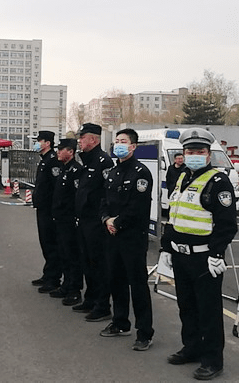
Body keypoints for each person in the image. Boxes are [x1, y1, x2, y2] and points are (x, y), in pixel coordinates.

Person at [160, 128, 237, 380]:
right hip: (181, 256)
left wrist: (216, 254)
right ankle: (191, 348)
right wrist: (166, 247)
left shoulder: (218, 181)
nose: (194, 155)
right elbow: (174, 215)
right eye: (190, 151)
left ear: (208, 154)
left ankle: (213, 360)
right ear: (183, 153)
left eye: (199, 152)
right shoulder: (182, 177)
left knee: (209, 312)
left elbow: (227, 224)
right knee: (187, 307)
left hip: (205, 258)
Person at [99, 128, 154, 351]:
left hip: (132, 237)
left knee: (138, 285)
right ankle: (120, 322)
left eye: (123, 141)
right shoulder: (112, 172)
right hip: (112, 235)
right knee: (116, 280)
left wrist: (117, 222)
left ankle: (144, 333)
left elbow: (138, 208)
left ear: (133, 146)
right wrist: (106, 220)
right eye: (116, 141)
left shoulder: (141, 173)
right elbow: (103, 200)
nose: (118, 144)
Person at [74, 123, 114, 322]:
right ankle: (90, 299)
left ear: (94, 140)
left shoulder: (103, 161)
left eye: (83, 138)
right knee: (86, 262)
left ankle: (102, 305)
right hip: (84, 220)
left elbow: (106, 194)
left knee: (99, 264)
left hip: (96, 222)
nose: (80, 141)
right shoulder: (87, 160)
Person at [50, 138, 83, 306]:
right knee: (63, 253)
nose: (58, 152)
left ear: (70, 152)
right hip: (60, 219)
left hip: (69, 220)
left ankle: (74, 289)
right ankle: (66, 284)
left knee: (72, 255)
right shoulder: (64, 169)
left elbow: (76, 197)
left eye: (61, 149)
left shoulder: (76, 170)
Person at [31, 130, 62, 294]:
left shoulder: (53, 161)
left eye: (39, 140)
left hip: (50, 210)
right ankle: (48, 273)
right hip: (42, 208)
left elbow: (55, 188)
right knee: (45, 242)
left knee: (51, 243)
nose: (37, 143)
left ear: (47, 143)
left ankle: (53, 278)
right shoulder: (44, 160)